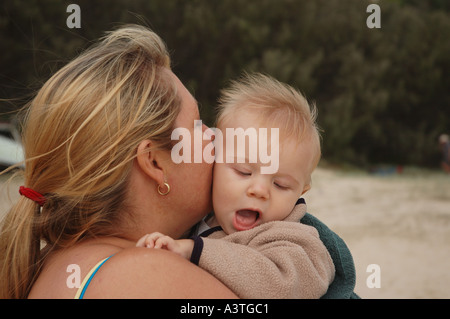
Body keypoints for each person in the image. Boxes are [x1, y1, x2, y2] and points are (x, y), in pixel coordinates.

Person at [0, 25, 237, 299]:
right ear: (154, 162)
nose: (216, 137)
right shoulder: (148, 276)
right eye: (197, 125)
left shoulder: (47, 265)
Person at [137, 73, 336, 298]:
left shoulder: (293, 240)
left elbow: (284, 285)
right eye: (244, 172)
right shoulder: (199, 219)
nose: (259, 190)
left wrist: (195, 251)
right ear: (214, 163)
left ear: (302, 192)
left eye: (280, 185)